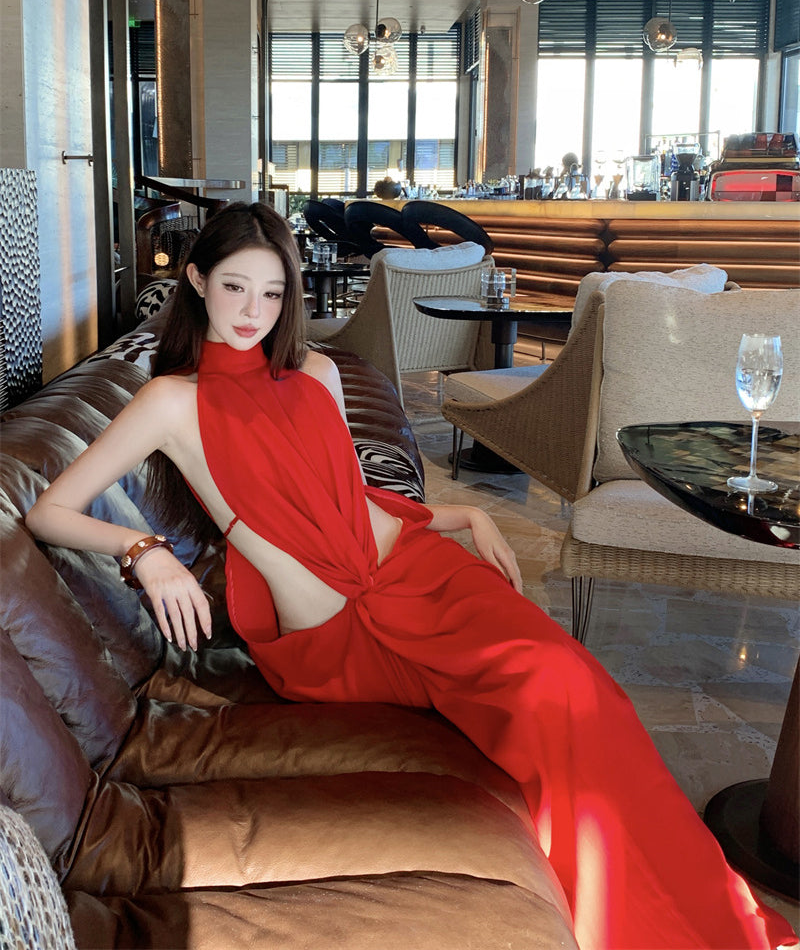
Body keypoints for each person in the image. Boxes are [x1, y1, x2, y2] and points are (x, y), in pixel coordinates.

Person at [26, 203, 796, 950]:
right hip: (339, 633)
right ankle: (657, 927)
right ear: (197, 281)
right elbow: (49, 510)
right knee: (556, 692)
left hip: (413, 568)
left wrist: (460, 514)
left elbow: (346, 495)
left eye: (272, 292)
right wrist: (144, 550)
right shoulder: (171, 401)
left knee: (584, 691)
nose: (253, 311)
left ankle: (693, 915)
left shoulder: (317, 371)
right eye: (235, 287)